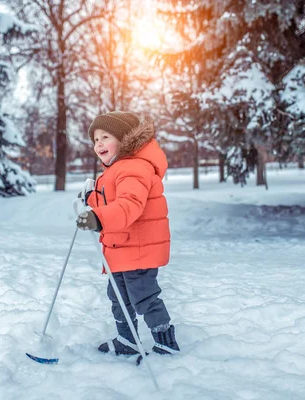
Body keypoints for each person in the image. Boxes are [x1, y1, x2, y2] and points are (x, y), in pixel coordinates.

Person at [76, 111, 180, 357]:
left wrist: (97, 218)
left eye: (105, 137)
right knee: (119, 298)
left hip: (139, 249)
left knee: (144, 298)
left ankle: (166, 343)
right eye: (95, 139)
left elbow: (129, 205)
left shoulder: (133, 168)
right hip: (121, 248)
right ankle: (127, 340)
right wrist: (90, 197)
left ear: (125, 140)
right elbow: (111, 199)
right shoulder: (118, 169)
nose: (98, 144)